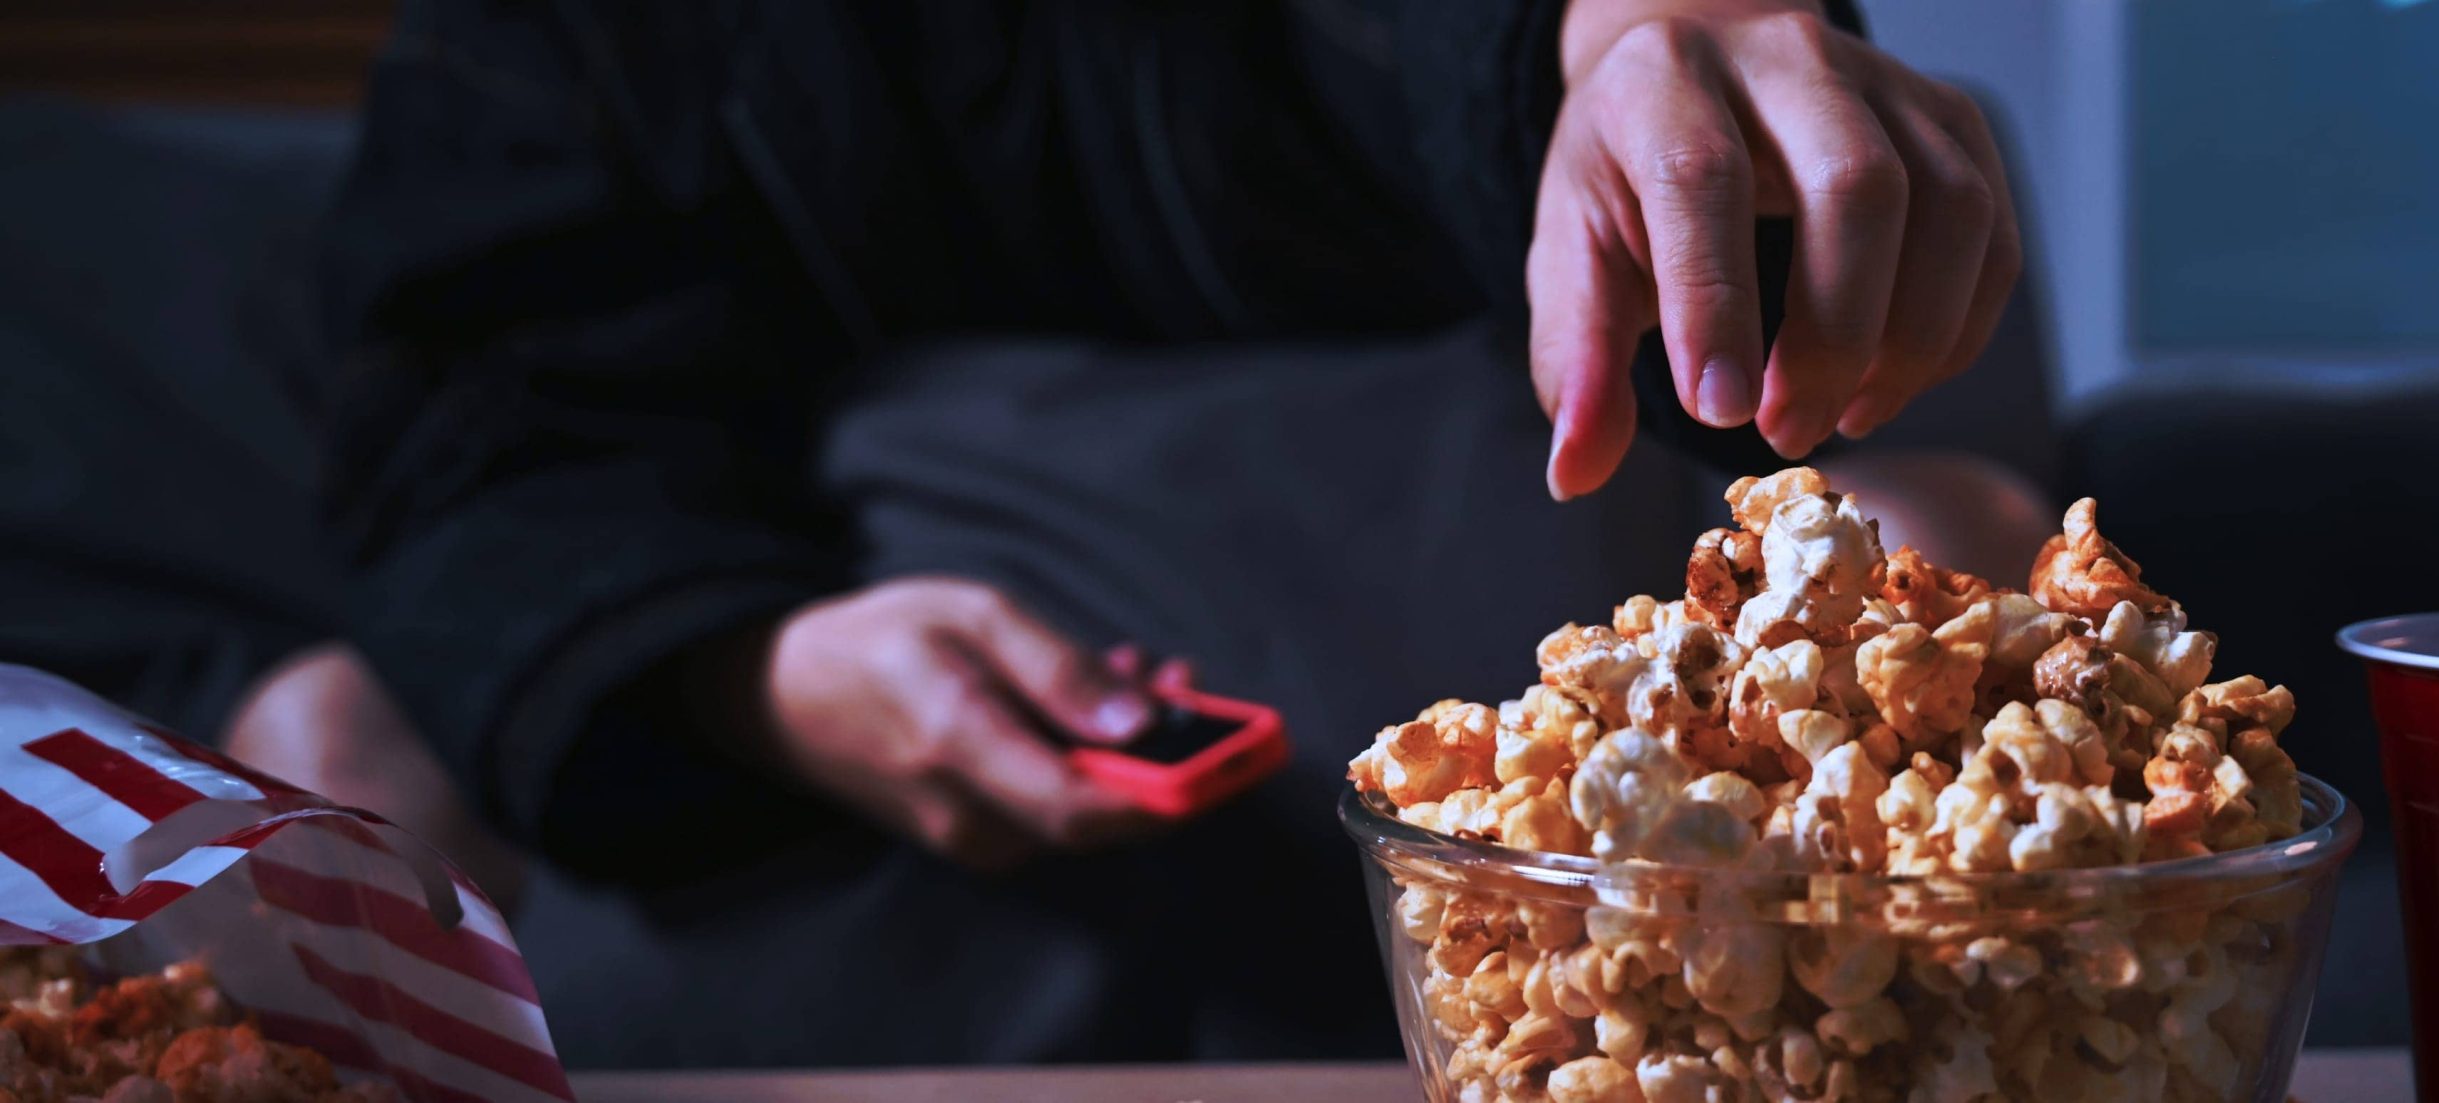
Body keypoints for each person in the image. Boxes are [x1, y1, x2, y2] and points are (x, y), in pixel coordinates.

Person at [306, 0, 2042, 1066]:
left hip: (1522, 629)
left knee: (1948, 526)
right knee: (323, 734)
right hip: (815, 752)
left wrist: (1648, 34)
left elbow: (1530, 37)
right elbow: (471, 418)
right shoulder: (563, 52)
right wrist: (760, 673)